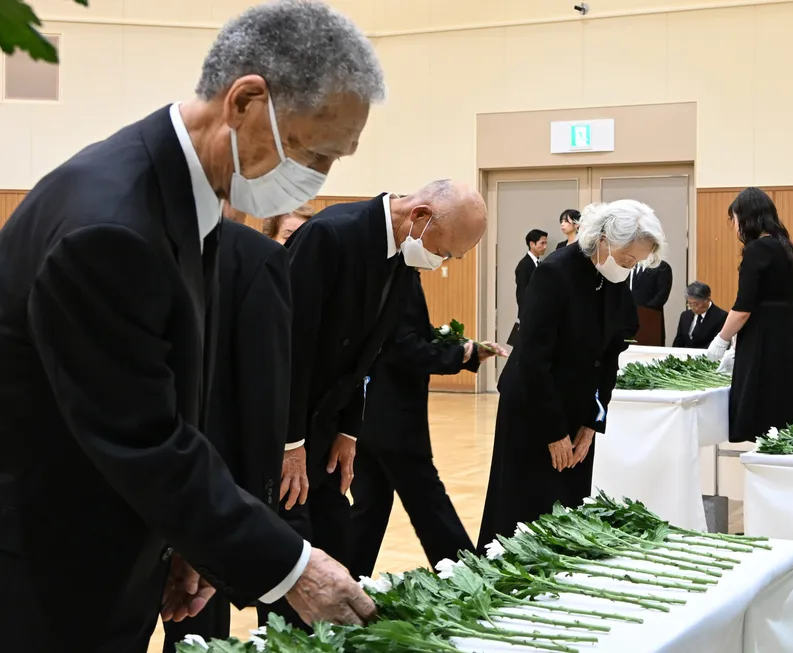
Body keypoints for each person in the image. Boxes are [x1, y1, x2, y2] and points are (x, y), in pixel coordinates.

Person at [0, 2, 385, 650]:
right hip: (44, 564)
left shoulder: (180, 194)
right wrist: (291, 565)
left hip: (107, 544)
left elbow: (174, 394)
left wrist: (183, 537)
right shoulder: (112, 225)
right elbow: (140, 434)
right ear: (245, 100)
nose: (316, 181)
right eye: (311, 151)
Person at [268, 179, 487, 629]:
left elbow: (368, 353)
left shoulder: (402, 253)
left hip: (331, 427)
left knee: (341, 546)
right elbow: (286, 347)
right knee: (292, 557)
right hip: (286, 428)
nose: (442, 263)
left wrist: (350, 431)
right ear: (422, 217)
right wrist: (290, 444)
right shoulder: (331, 236)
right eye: (445, 252)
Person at [477, 200, 663, 551]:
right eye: (628, 259)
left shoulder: (614, 275)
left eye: (636, 263)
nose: (630, 267)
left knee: (568, 508)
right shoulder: (555, 272)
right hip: (535, 405)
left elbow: (610, 356)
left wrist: (593, 423)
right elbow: (533, 359)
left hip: (577, 407)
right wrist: (554, 431)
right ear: (605, 240)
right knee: (523, 510)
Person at [160, 201, 292, 649]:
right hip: (195, 480)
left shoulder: (252, 258)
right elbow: (263, 399)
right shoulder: (254, 256)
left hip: (181, 480)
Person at [350, 268, 504, 579]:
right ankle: (466, 579)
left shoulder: (379, 266)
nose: (450, 257)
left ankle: (346, 583)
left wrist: (466, 351)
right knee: (426, 499)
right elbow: (405, 346)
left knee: (370, 503)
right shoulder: (399, 273)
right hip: (393, 412)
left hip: (367, 408)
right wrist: (460, 354)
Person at [706, 188, 793, 443]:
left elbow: (743, 308)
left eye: (735, 218)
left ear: (747, 218)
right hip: (785, 338)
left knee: (759, 413)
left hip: (762, 341)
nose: (734, 226)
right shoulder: (786, 247)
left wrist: (722, 339)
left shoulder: (757, 249)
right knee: (780, 413)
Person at [507, 228, 547, 347]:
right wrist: (525, 315)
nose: (545, 247)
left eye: (546, 243)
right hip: (529, 314)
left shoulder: (540, 263)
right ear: (532, 244)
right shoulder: (524, 265)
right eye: (542, 243)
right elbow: (521, 293)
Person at [672, 281, 727, 349]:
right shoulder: (685, 315)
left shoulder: (721, 316)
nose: (692, 307)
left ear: (708, 299)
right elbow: (679, 341)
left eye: (696, 304)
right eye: (689, 303)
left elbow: (715, 345)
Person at [630, 260, 673, 346]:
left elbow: (662, 294)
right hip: (629, 318)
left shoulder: (661, 266)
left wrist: (644, 312)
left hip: (650, 320)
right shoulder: (630, 264)